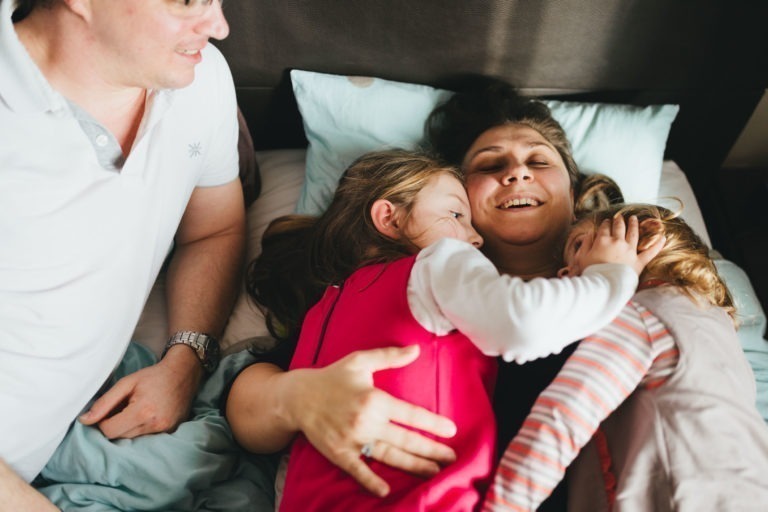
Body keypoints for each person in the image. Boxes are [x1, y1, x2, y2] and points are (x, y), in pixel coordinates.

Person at [218, 81, 612, 506]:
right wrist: (298, 399)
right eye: (488, 165)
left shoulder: (624, 271)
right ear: (460, 196)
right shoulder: (394, 290)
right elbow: (246, 403)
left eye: (538, 159)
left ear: (573, 194)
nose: (516, 172)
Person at [0, 0, 244, 505]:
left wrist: (186, 360)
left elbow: (215, 229)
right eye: (188, 2)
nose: (219, 26)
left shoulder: (199, 78)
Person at [484, 204, 768, 511]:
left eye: (579, 245)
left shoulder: (644, 314)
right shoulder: (718, 326)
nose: (564, 273)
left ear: (643, 236)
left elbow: (561, 418)